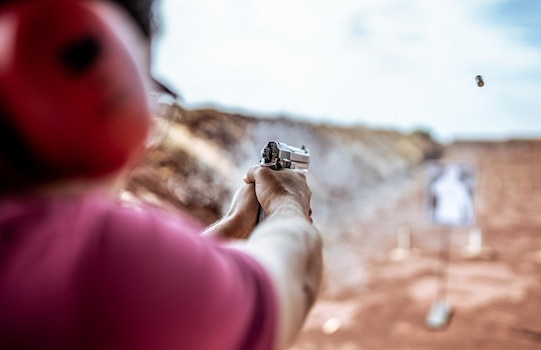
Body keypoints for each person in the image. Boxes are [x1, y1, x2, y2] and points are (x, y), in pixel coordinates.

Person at [0, 1, 323, 349]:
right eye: (144, 93)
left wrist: (233, 225)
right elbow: (291, 279)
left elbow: (142, 290)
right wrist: (288, 203)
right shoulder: (95, 253)